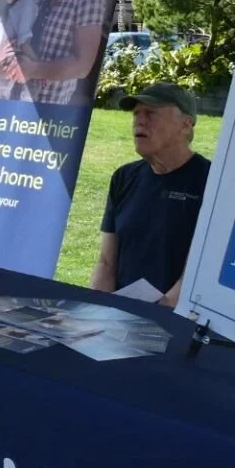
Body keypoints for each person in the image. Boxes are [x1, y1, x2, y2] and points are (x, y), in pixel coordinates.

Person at [89, 83, 210, 308]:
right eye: (136, 114)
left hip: (176, 317)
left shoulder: (211, 182)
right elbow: (106, 263)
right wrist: (99, 309)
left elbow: (199, 273)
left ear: (186, 125)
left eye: (151, 113)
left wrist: (154, 317)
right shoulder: (124, 177)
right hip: (120, 315)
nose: (139, 120)